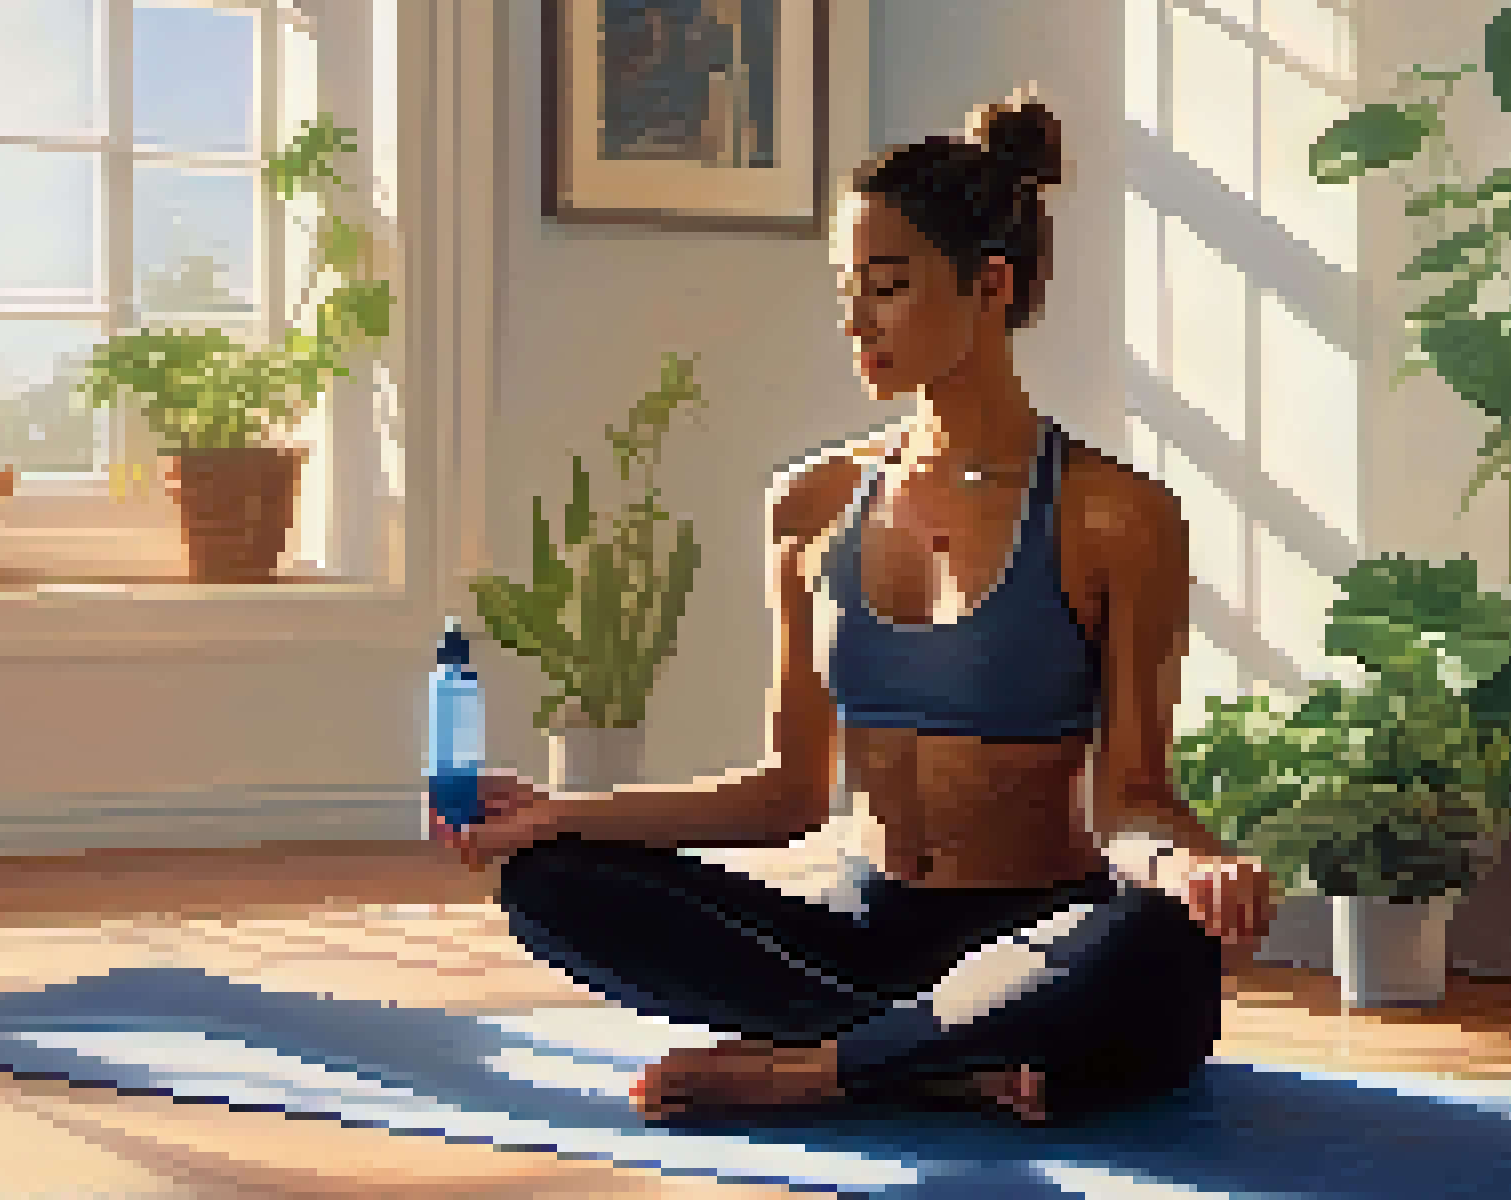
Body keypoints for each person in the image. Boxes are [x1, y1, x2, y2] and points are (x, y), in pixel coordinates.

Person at [432, 86, 1278, 1126]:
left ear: (990, 286)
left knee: (1158, 944)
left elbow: (1133, 803)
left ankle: (816, 1070)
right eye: (845, 288)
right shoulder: (815, 505)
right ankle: (940, 1056)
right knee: (550, 884)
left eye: (886, 285)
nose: (855, 320)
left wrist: (1193, 865)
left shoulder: (1118, 517)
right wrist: (558, 815)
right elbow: (789, 792)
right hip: (857, 932)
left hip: (1038, 933)